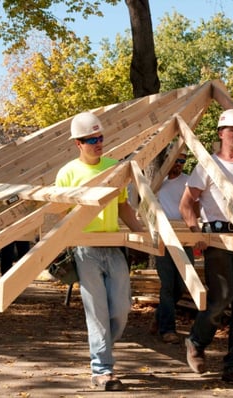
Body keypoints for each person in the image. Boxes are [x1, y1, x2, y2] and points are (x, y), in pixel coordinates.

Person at [55, 111, 144, 391]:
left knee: (121, 309)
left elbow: (122, 206)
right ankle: (102, 370)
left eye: (100, 137)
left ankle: (103, 349)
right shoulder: (68, 173)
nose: (98, 142)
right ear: (77, 144)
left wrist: (143, 234)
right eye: (91, 139)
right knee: (96, 313)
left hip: (113, 246)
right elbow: (60, 213)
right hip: (85, 250)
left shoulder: (115, 167)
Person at [179, 109, 233, 387]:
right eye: (232, 130)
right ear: (221, 134)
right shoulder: (207, 166)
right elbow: (186, 204)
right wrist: (196, 233)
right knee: (222, 296)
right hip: (216, 238)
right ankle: (196, 341)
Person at [150, 148, 195, 344]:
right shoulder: (157, 183)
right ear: (168, 160)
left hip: (184, 239)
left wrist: (196, 232)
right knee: (167, 285)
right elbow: (140, 203)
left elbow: (196, 207)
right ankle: (167, 329)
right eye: (176, 160)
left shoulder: (188, 181)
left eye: (183, 161)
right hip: (163, 239)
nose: (179, 164)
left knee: (183, 285)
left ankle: (160, 316)